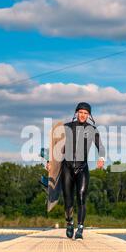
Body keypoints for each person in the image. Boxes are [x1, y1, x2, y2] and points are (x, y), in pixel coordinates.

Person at [47, 102, 105, 240]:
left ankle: (80, 227)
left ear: (89, 115)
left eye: (86, 113)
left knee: (81, 197)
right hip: (67, 167)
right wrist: (50, 162)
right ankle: (69, 222)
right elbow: (55, 145)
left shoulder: (92, 130)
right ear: (76, 113)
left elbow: (100, 146)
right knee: (68, 200)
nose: (83, 115)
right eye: (81, 112)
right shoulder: (66, 127)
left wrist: (101, 158)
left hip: (82, 168)